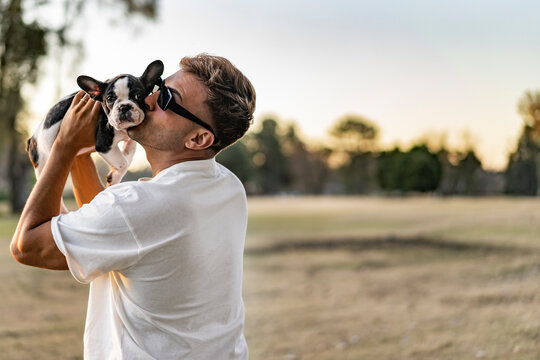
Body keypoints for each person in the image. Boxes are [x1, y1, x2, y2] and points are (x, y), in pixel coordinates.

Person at [10, 54, 256, 359]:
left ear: (198, 137)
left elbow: (27, 246)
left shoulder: (139, 208)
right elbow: (107, 226)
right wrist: (81, 150)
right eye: (156, 88)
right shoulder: (227, 186)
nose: (149, 100)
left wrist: (63, 148)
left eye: (167, 98)